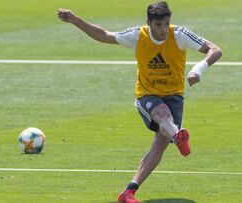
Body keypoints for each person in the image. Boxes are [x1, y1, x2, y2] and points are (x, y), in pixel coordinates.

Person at [58, 1, 222, 202]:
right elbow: (104, 36)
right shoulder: (138, 35)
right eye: (159, 25)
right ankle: (178, 135)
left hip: (175, 95)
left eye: (166, 23)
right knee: (163, 115)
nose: (163, 30)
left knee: (160, 142)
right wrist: (75, 20)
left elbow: (215, 49)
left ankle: (129, 191)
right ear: (149, 23)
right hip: (147, 95)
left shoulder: (179, 34)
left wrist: (199, 69)